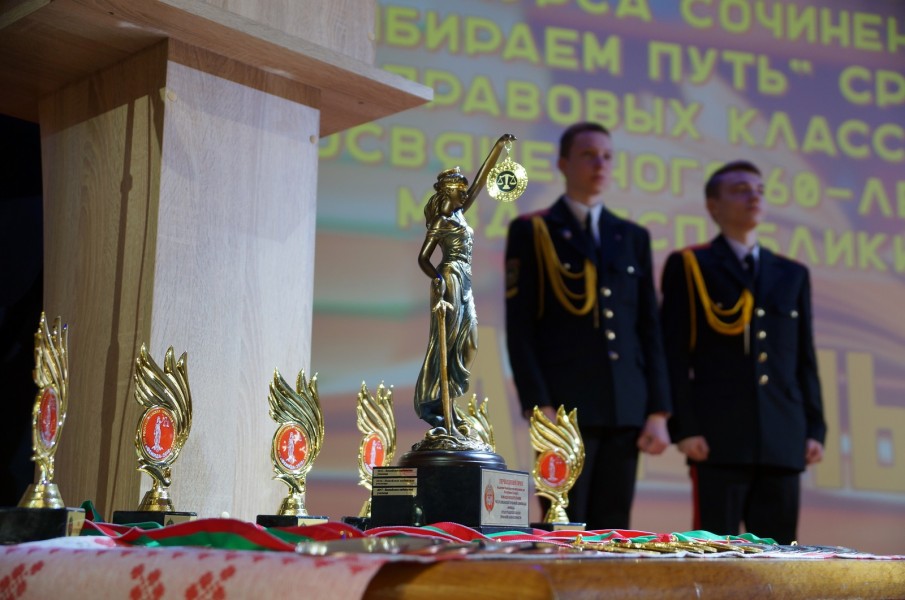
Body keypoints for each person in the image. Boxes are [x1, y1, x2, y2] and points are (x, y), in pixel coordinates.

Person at [504, 122, 671, 530]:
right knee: (563, 522)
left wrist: (658, 410)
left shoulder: (631, 236)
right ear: (563, 163)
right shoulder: (534, 230)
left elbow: (649, 328)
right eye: (588, 155)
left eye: (607, 156)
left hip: (624, 405)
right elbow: (520, 327)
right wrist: (537, 404)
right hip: (563, 408)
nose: (600, 164)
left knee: (615, 526)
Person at [659, 159, 826, 545]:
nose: (753, 196)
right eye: (740, 190)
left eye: (759, 190)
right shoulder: (692, 265)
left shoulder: (791, 273)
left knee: (780, 557)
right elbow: (674, 354)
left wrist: (814, 427)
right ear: (713, 205)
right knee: (715, 551)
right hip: (718, 437)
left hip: (783, 437)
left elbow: (804, 358)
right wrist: (684, 427)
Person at [414, 133, 516, 434]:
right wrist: (438, 284)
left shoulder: (459, 213)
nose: (465, 193)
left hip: (465, 280)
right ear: (450, 192)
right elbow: (423, 258)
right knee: (447, 344)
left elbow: (481, 183)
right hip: (450, 280)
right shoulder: (442, 222)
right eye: (460, 189)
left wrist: (498, 148)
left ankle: (450, 401)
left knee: (469, 343)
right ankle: (442, 407)